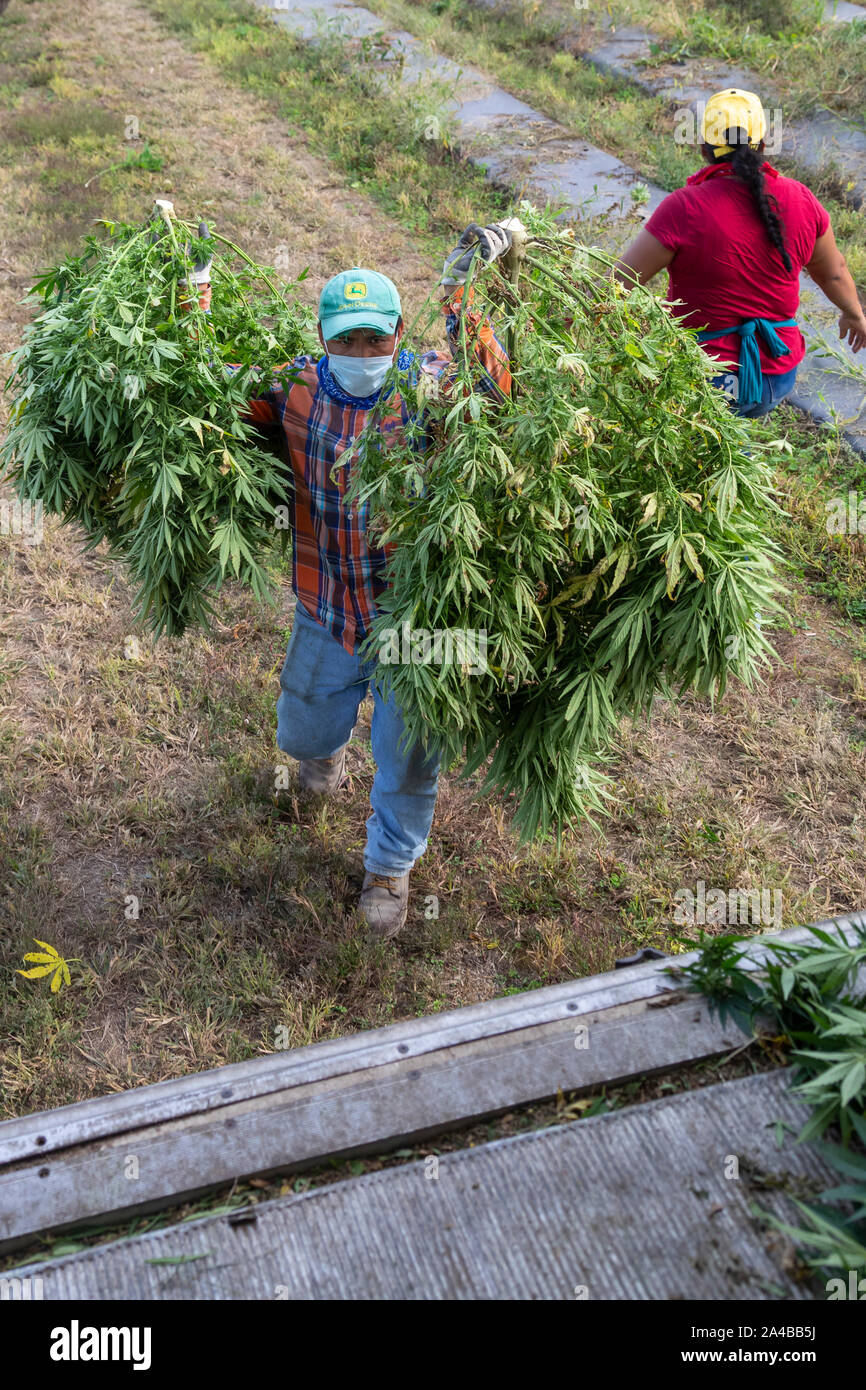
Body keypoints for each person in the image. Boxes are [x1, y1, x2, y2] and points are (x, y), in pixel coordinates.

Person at [189, 222, 515, 937]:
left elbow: (492, 389)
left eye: (376, 340)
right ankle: (321, 759)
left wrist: (468, 287)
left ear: (400, 332)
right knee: (301, 728)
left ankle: (388, 870)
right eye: (347, 340)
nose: (362, 353)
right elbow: (205, 385)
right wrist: (196, 286)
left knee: (407, 757)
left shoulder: (427, 388)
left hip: (418, 619)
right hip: (327, 603)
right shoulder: (295, 387)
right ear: (322, 336)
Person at [613, 88, 866, 417]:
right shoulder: (801, 199)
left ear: (705, 149)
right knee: (738, 427)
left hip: (705, 375)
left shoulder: (684, 207)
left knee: (706, 436)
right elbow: (833, 272)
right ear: (762, 146)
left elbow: (619, 282)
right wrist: (854, 313)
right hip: (776, 377)